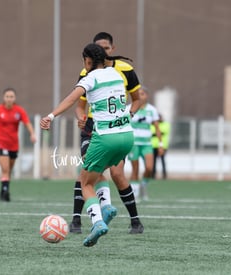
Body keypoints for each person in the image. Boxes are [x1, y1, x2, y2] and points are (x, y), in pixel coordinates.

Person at [40, 43, 141, 247]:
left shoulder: (90, 78)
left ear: (87, 61)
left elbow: (71, 99)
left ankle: (97, 222)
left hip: (106, 137)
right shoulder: (114, 73)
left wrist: (51, 116)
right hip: (127, 136)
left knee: (85, 181)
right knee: (98, 171)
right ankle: (106, 206)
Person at [70, 32, 144, 235]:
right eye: (99, 48)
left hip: (116, 128)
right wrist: (81, 117)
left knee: (117, 174)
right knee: (88, 169)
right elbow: (80, 105)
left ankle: (135, 221)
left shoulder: (125, 70)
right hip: (93, 127)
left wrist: (128, 113)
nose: (103, 52)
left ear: (112, 49)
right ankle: (77, 220)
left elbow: (137, 99)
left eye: (106, 48)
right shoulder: (87, 72)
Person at [0, 87, 36, 201]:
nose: (9, 99)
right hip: (0, 143)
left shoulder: (19, 111)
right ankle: (5, 192)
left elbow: (27, 123)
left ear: (14, 98)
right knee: (5, 169)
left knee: (8, 170)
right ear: (3, 98)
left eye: (11, 97)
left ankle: (4, 190)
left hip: (14, 145)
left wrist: (32, 134)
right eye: (7, 96)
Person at [128, 87, 163, 200]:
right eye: (138, 94)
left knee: (149, 168)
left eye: (142, 94)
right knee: (135, 169)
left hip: (147, 144)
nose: (140, 96)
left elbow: (157, 128)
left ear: (146, 96)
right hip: (133, 144)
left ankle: (143, 186)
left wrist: (160, 144)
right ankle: (135, 193)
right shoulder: (129, 108)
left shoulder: (152, 110)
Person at [151, 114, 170, 179]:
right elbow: (152, 132)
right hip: (153, 145)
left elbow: (163, 132)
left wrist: (156, 133)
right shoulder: (153, 125)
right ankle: (153, 175)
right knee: (153, 161)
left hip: (162, 146)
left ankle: (164, 174)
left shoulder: (165, 124)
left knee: (163, 160)